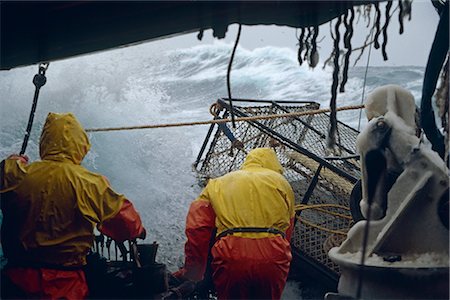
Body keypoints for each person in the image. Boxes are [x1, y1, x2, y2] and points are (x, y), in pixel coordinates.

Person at [0, 112, 146, 299]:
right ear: (81, 144)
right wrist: (139, 230)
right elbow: (125, 223)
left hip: (16, 282)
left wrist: (14, 162)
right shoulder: (91, 183)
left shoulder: (15, 174)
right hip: (65, 286)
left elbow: (5, 174)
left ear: (45, 141)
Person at [175, 148, 295, 299]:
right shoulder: (282, 183)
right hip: (273, 255)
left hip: (232, 253)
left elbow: (197, 227)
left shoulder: (217, 183)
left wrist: (194, 271)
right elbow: (287, 231)